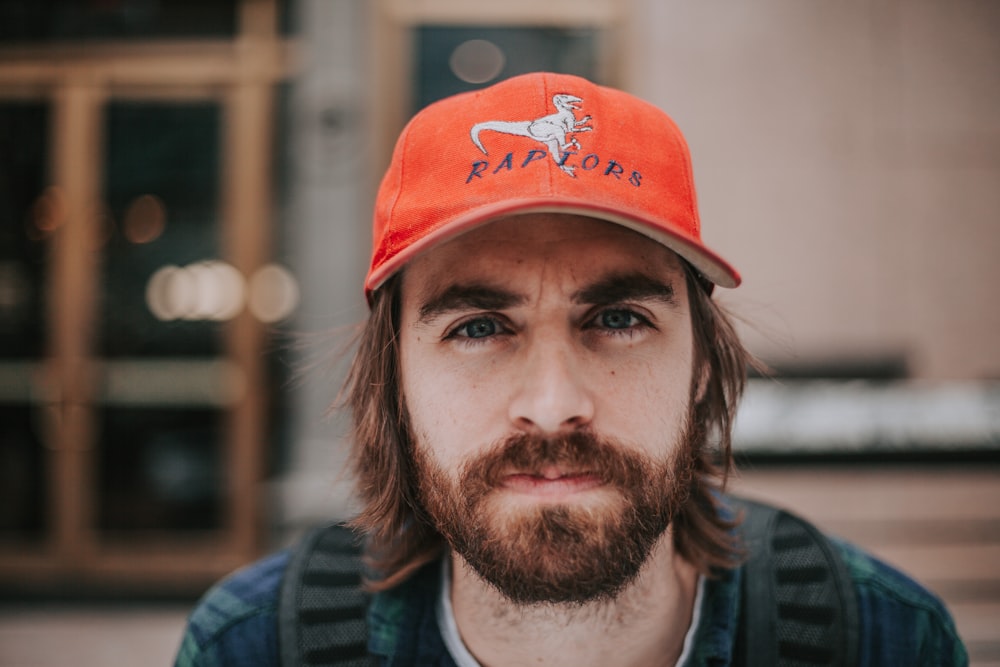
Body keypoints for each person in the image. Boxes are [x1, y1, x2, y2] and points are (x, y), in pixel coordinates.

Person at [174, 72, 967, 667]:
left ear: (700, 365)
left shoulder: (883, 637)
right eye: (479, 326)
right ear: (395, 383)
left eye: (619, 319)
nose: (553, 406)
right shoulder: (252, 647)